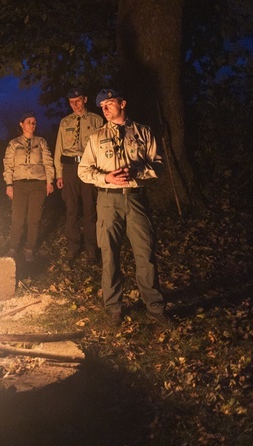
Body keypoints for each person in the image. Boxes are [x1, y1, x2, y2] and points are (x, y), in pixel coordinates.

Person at [78, 89, 174, 328]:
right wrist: (106, 178)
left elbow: (159, 165)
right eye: (102, 106)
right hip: (108, 200)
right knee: (109, 254)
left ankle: (155, 307)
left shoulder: (143, 132)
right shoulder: (96, 136)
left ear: (122, 103)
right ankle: (113, 308)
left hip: (136, 199)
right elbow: (83, 171)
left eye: (109, 103)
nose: (105, 109)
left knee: (145, 253)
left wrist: (138, 172)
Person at [54, 87, 104, 262]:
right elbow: (58, 149)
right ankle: (73, 246)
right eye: (71, 102)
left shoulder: (96, 121)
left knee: (90, 209)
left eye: (77, 101)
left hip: (88, 166)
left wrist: (99, 173)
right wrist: (59, 174)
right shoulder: (65, 122)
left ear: (85, 100)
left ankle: (91, 248)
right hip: (69, 168)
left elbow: (101, 148)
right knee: (71, 209)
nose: (74, 105)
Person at [3, 112, 55, 262]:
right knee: (17, 218)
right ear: (21, 124)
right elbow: (8, 165)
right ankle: (13, 247)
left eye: (34, 122)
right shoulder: (14, 144)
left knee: (34, 219)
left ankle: (30, 249)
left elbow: (48, 163)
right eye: (28, 122)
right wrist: (9, 184)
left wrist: (49, 182)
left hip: (38, 184)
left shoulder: (41, 142)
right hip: (19, 185)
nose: (32, 125)